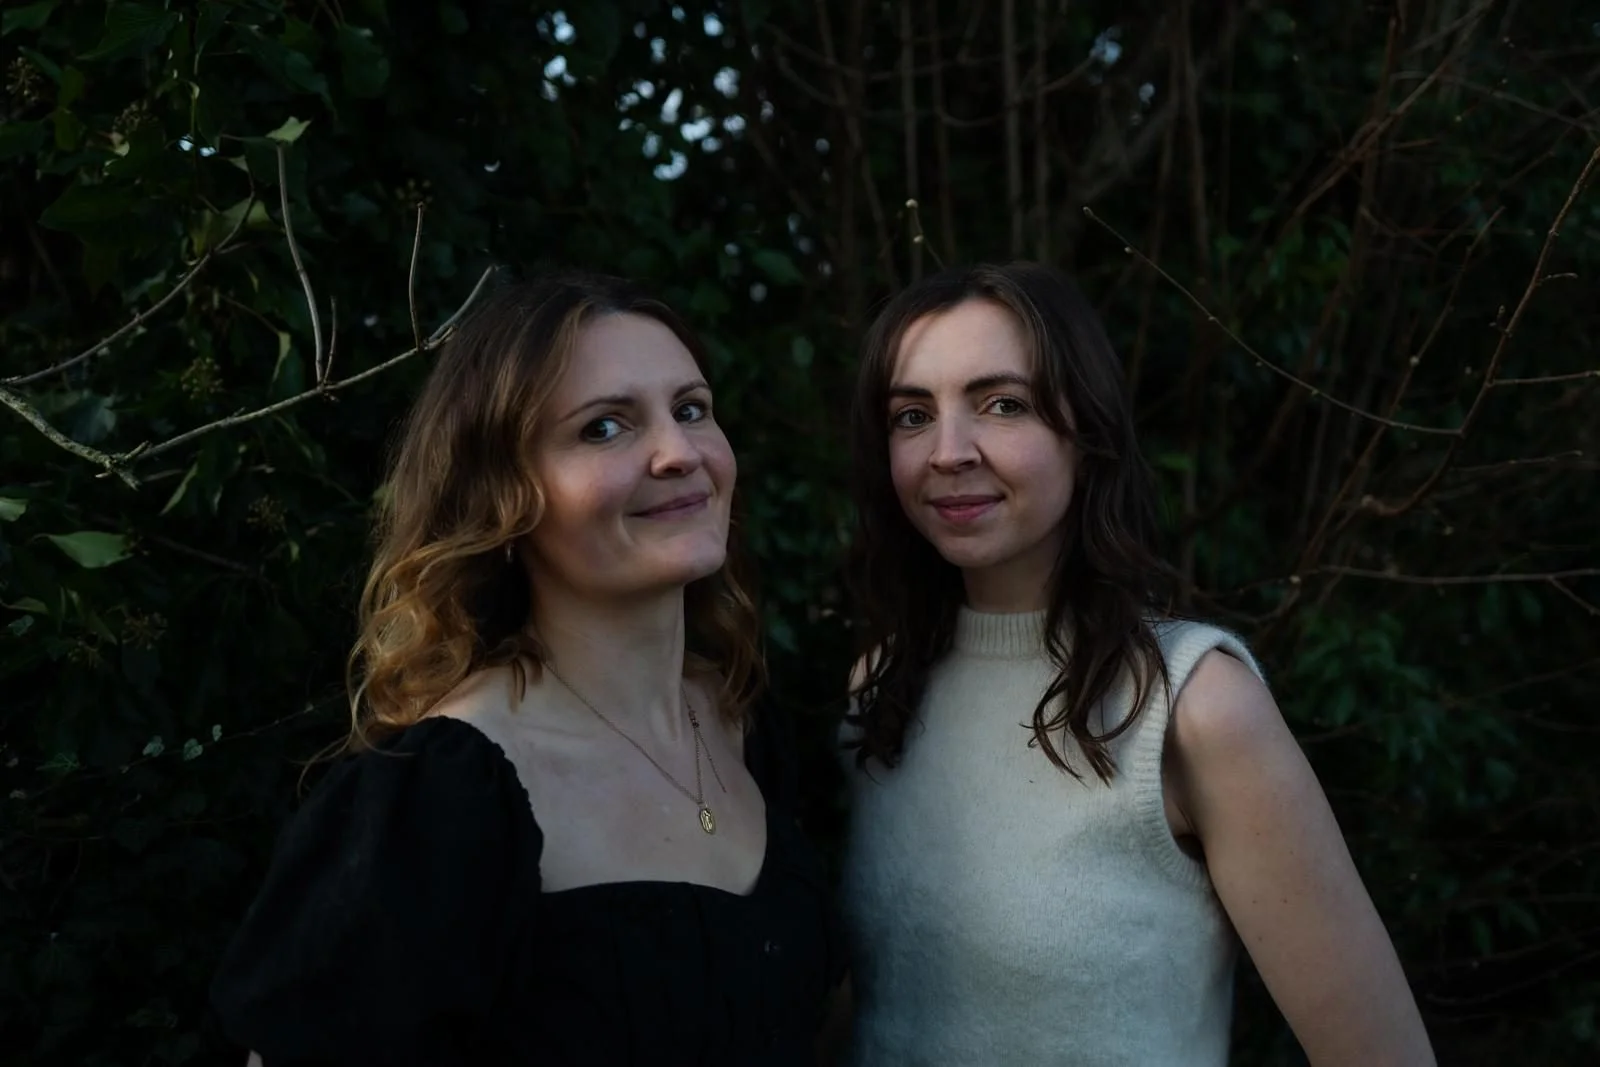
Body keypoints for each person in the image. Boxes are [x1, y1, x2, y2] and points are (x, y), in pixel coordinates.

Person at [211, 271, 844, 1065]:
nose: (678, 452)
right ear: (503, 497)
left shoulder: (742, 721)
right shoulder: (441, 793)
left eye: (690, 410)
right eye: (604, 428)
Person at [836, 262, 1435, 1066]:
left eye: (1001, 404)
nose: (948, 451)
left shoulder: (1194, 704)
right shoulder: (879, 688)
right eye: (912, 414)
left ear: (1086, 430)